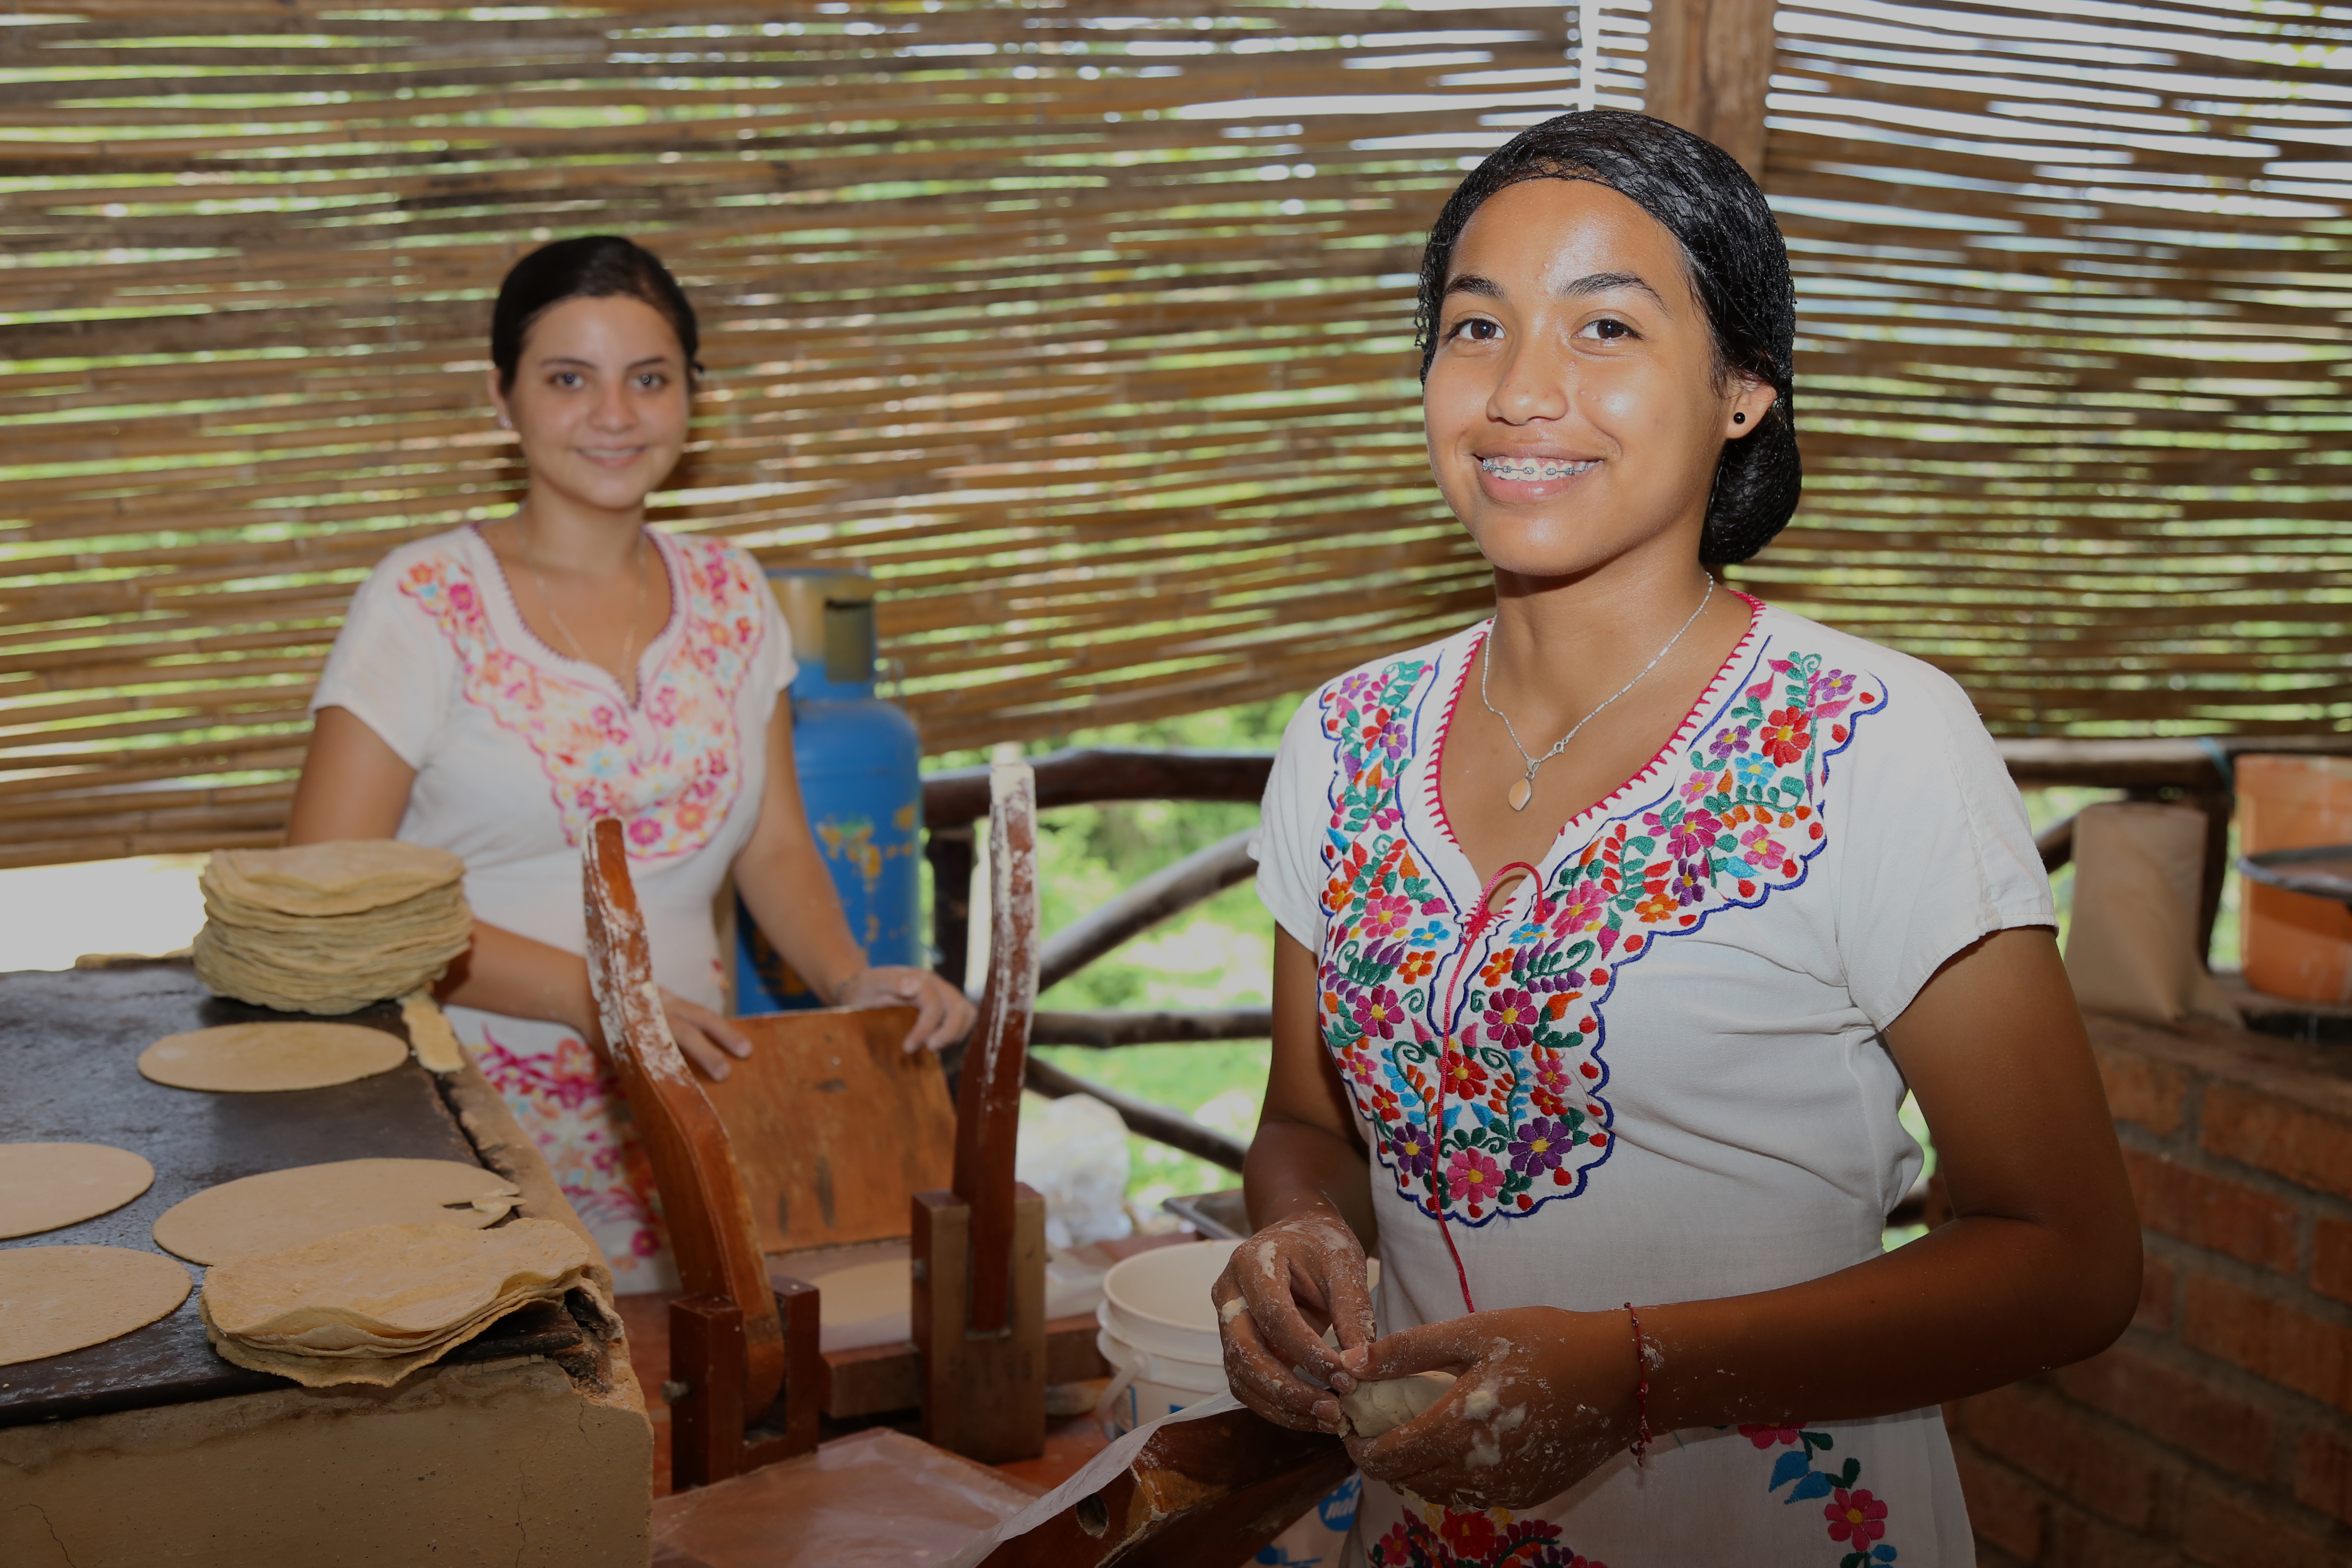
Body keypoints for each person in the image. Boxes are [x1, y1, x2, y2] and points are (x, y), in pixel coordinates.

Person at [1217, 112, 2138, 1565]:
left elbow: (2068, 1258)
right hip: (1416, 1519)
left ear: (1741, 390)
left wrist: (1638, 1368)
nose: (1523, 388)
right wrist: (1289, 1242)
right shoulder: (1339, 744)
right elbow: (1309, 1124)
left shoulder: (1873, 741)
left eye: (1605, 327)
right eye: (1476, 325)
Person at [288, 236, 973, 1291]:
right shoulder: (423, 602)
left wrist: (851, 978)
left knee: (685, 1407)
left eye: (648, 379)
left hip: (686, 1114)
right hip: (462, 1121)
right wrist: (594, 994)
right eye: (570, 379)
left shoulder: (735, 596)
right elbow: (327, 893)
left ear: (693, 396)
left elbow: (777, 847)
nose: (615, 415)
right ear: (502, 397)